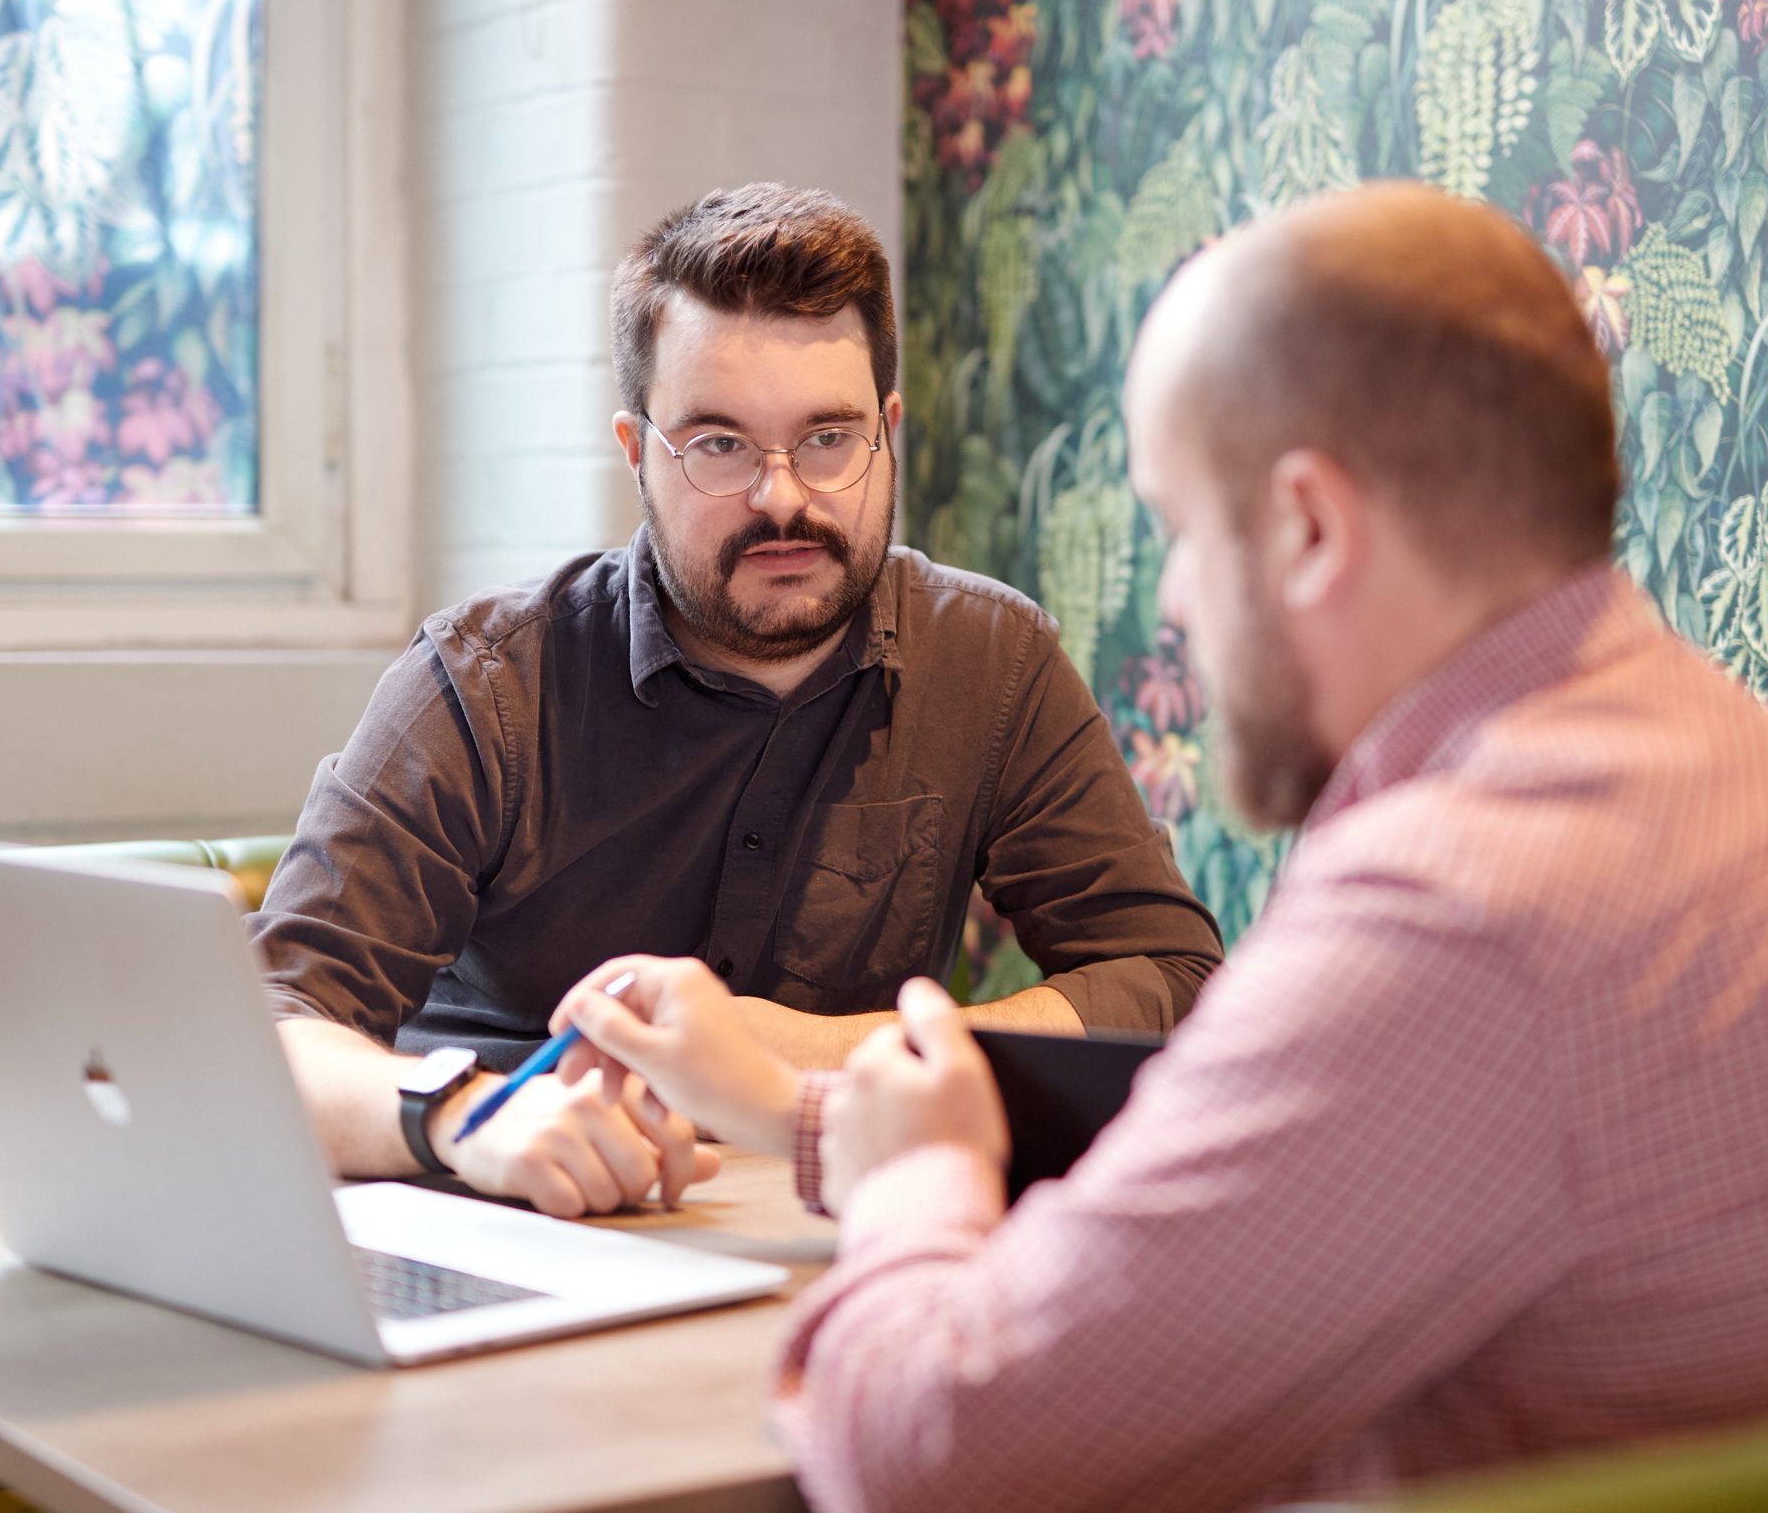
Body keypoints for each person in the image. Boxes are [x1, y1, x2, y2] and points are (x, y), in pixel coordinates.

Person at [548, 184, 1768, 1513]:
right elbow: (1307, 1185)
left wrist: (906, 1184)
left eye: (1181, 528)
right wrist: (856, 1118)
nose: (1173, 603)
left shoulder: (1467, 908)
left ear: (1307, 527)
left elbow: (930, 1477)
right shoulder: (1736, 774)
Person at [250, 183, 1223, 1221]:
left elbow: (1167, 977)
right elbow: (270, 1025)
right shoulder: (485, 683)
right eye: (718, 445)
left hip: (823, 1229)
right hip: (511, 1222)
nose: (782, 497)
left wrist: (799, 1053)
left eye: (827, 439)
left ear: (886, 432)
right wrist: (468, 1119)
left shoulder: (990, 659)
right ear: (637, 453)